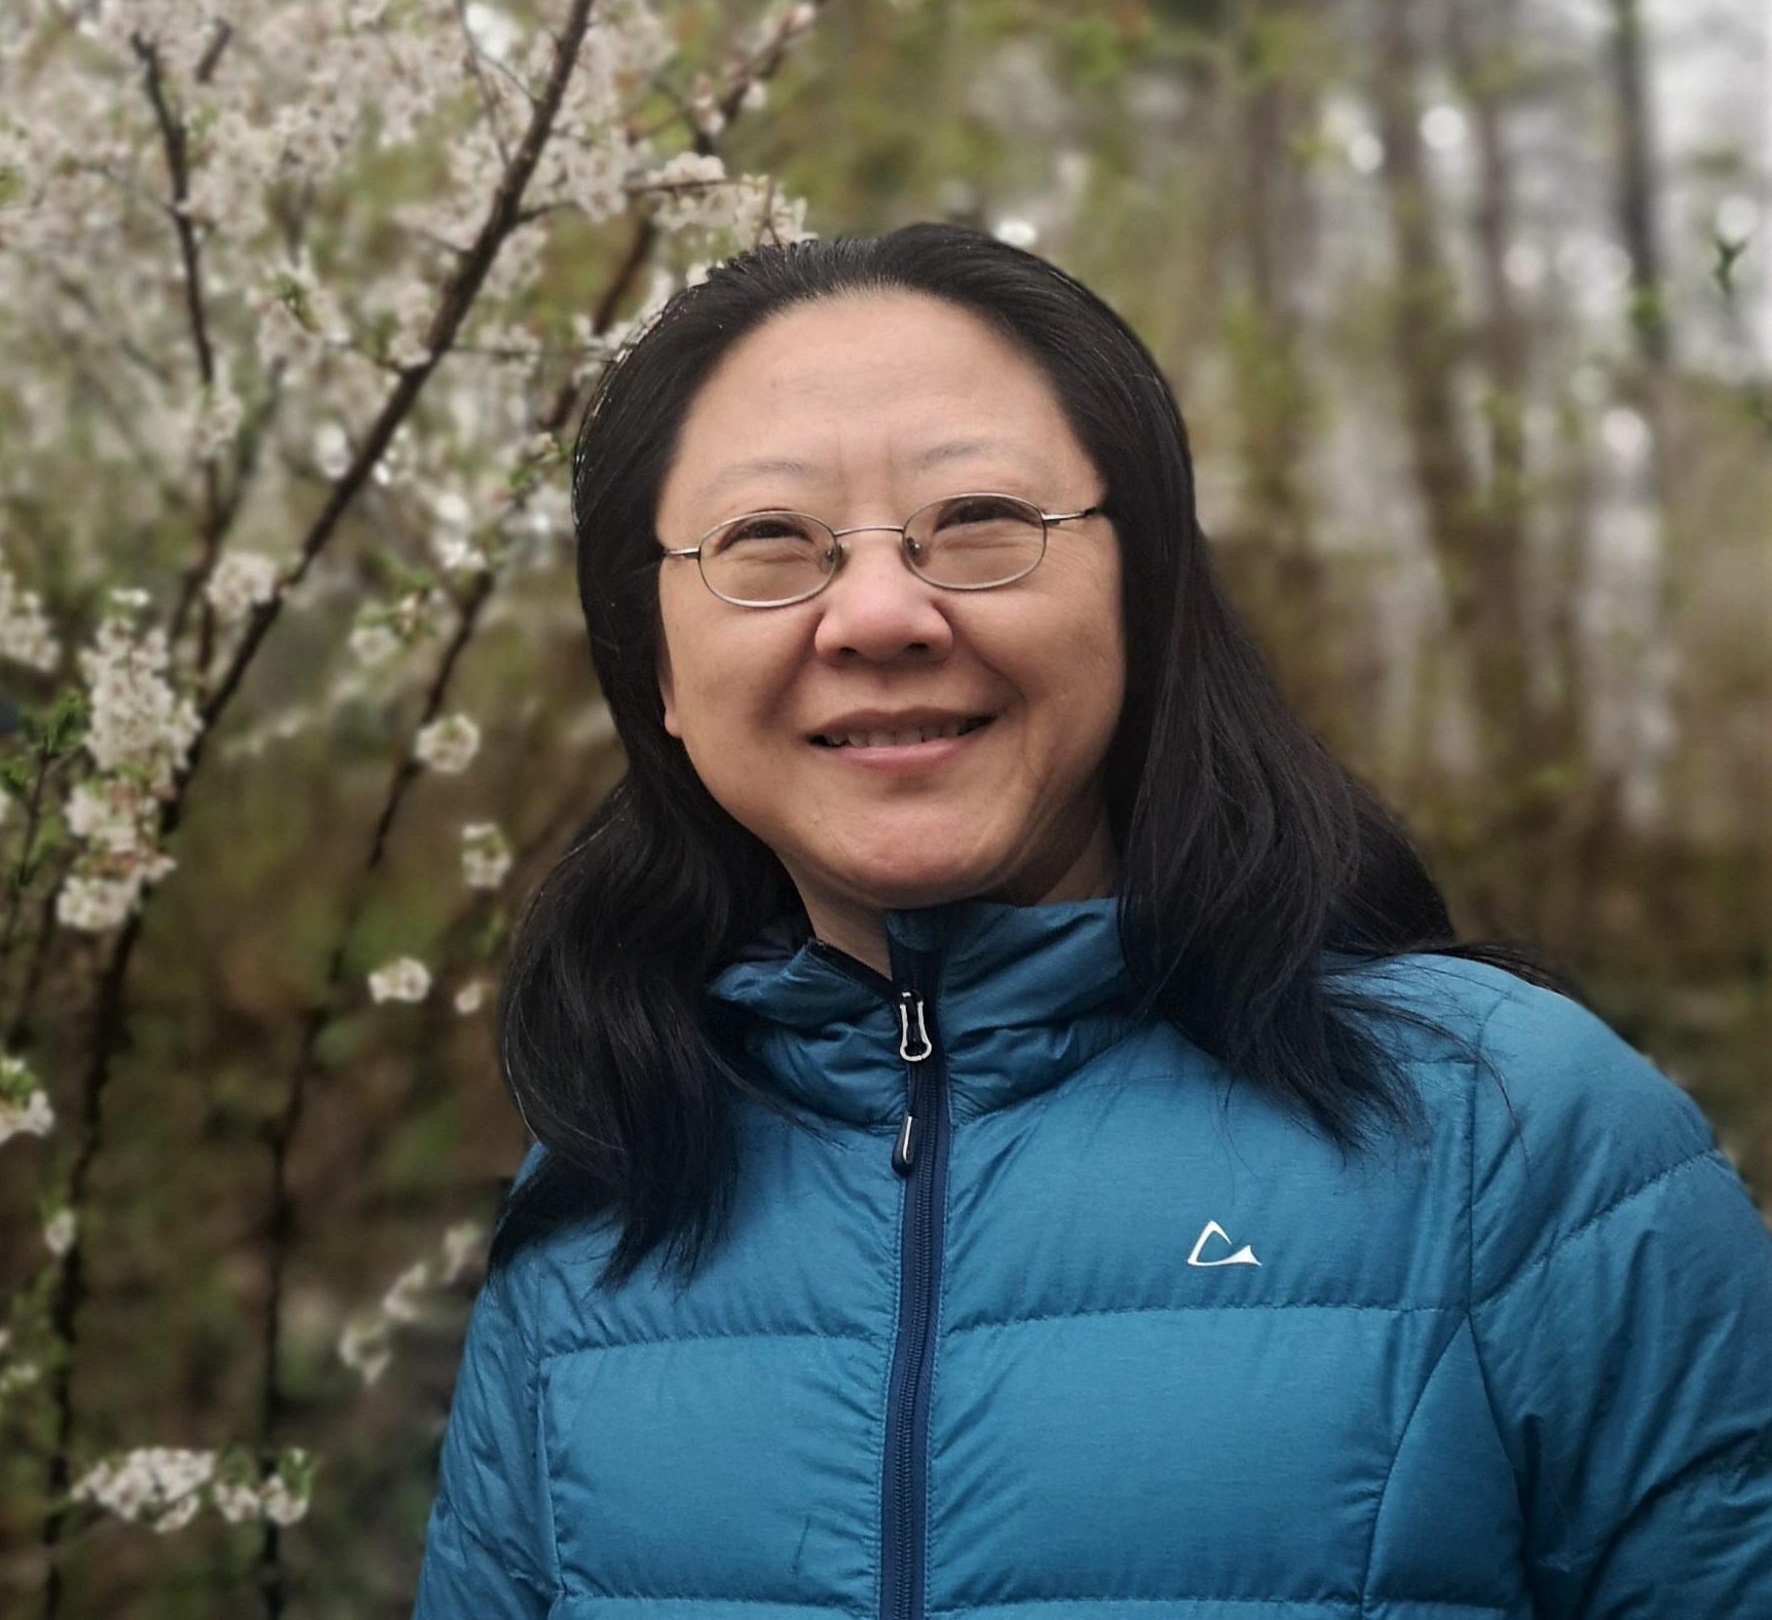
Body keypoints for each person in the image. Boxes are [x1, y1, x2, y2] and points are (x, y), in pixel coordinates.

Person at [409, 223, 1772, 1620]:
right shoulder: (611, 1180)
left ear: (1146, 596)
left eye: (981, 524)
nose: (879, 612)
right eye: (769, 544)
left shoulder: (1512, 1138)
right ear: (660, 675)